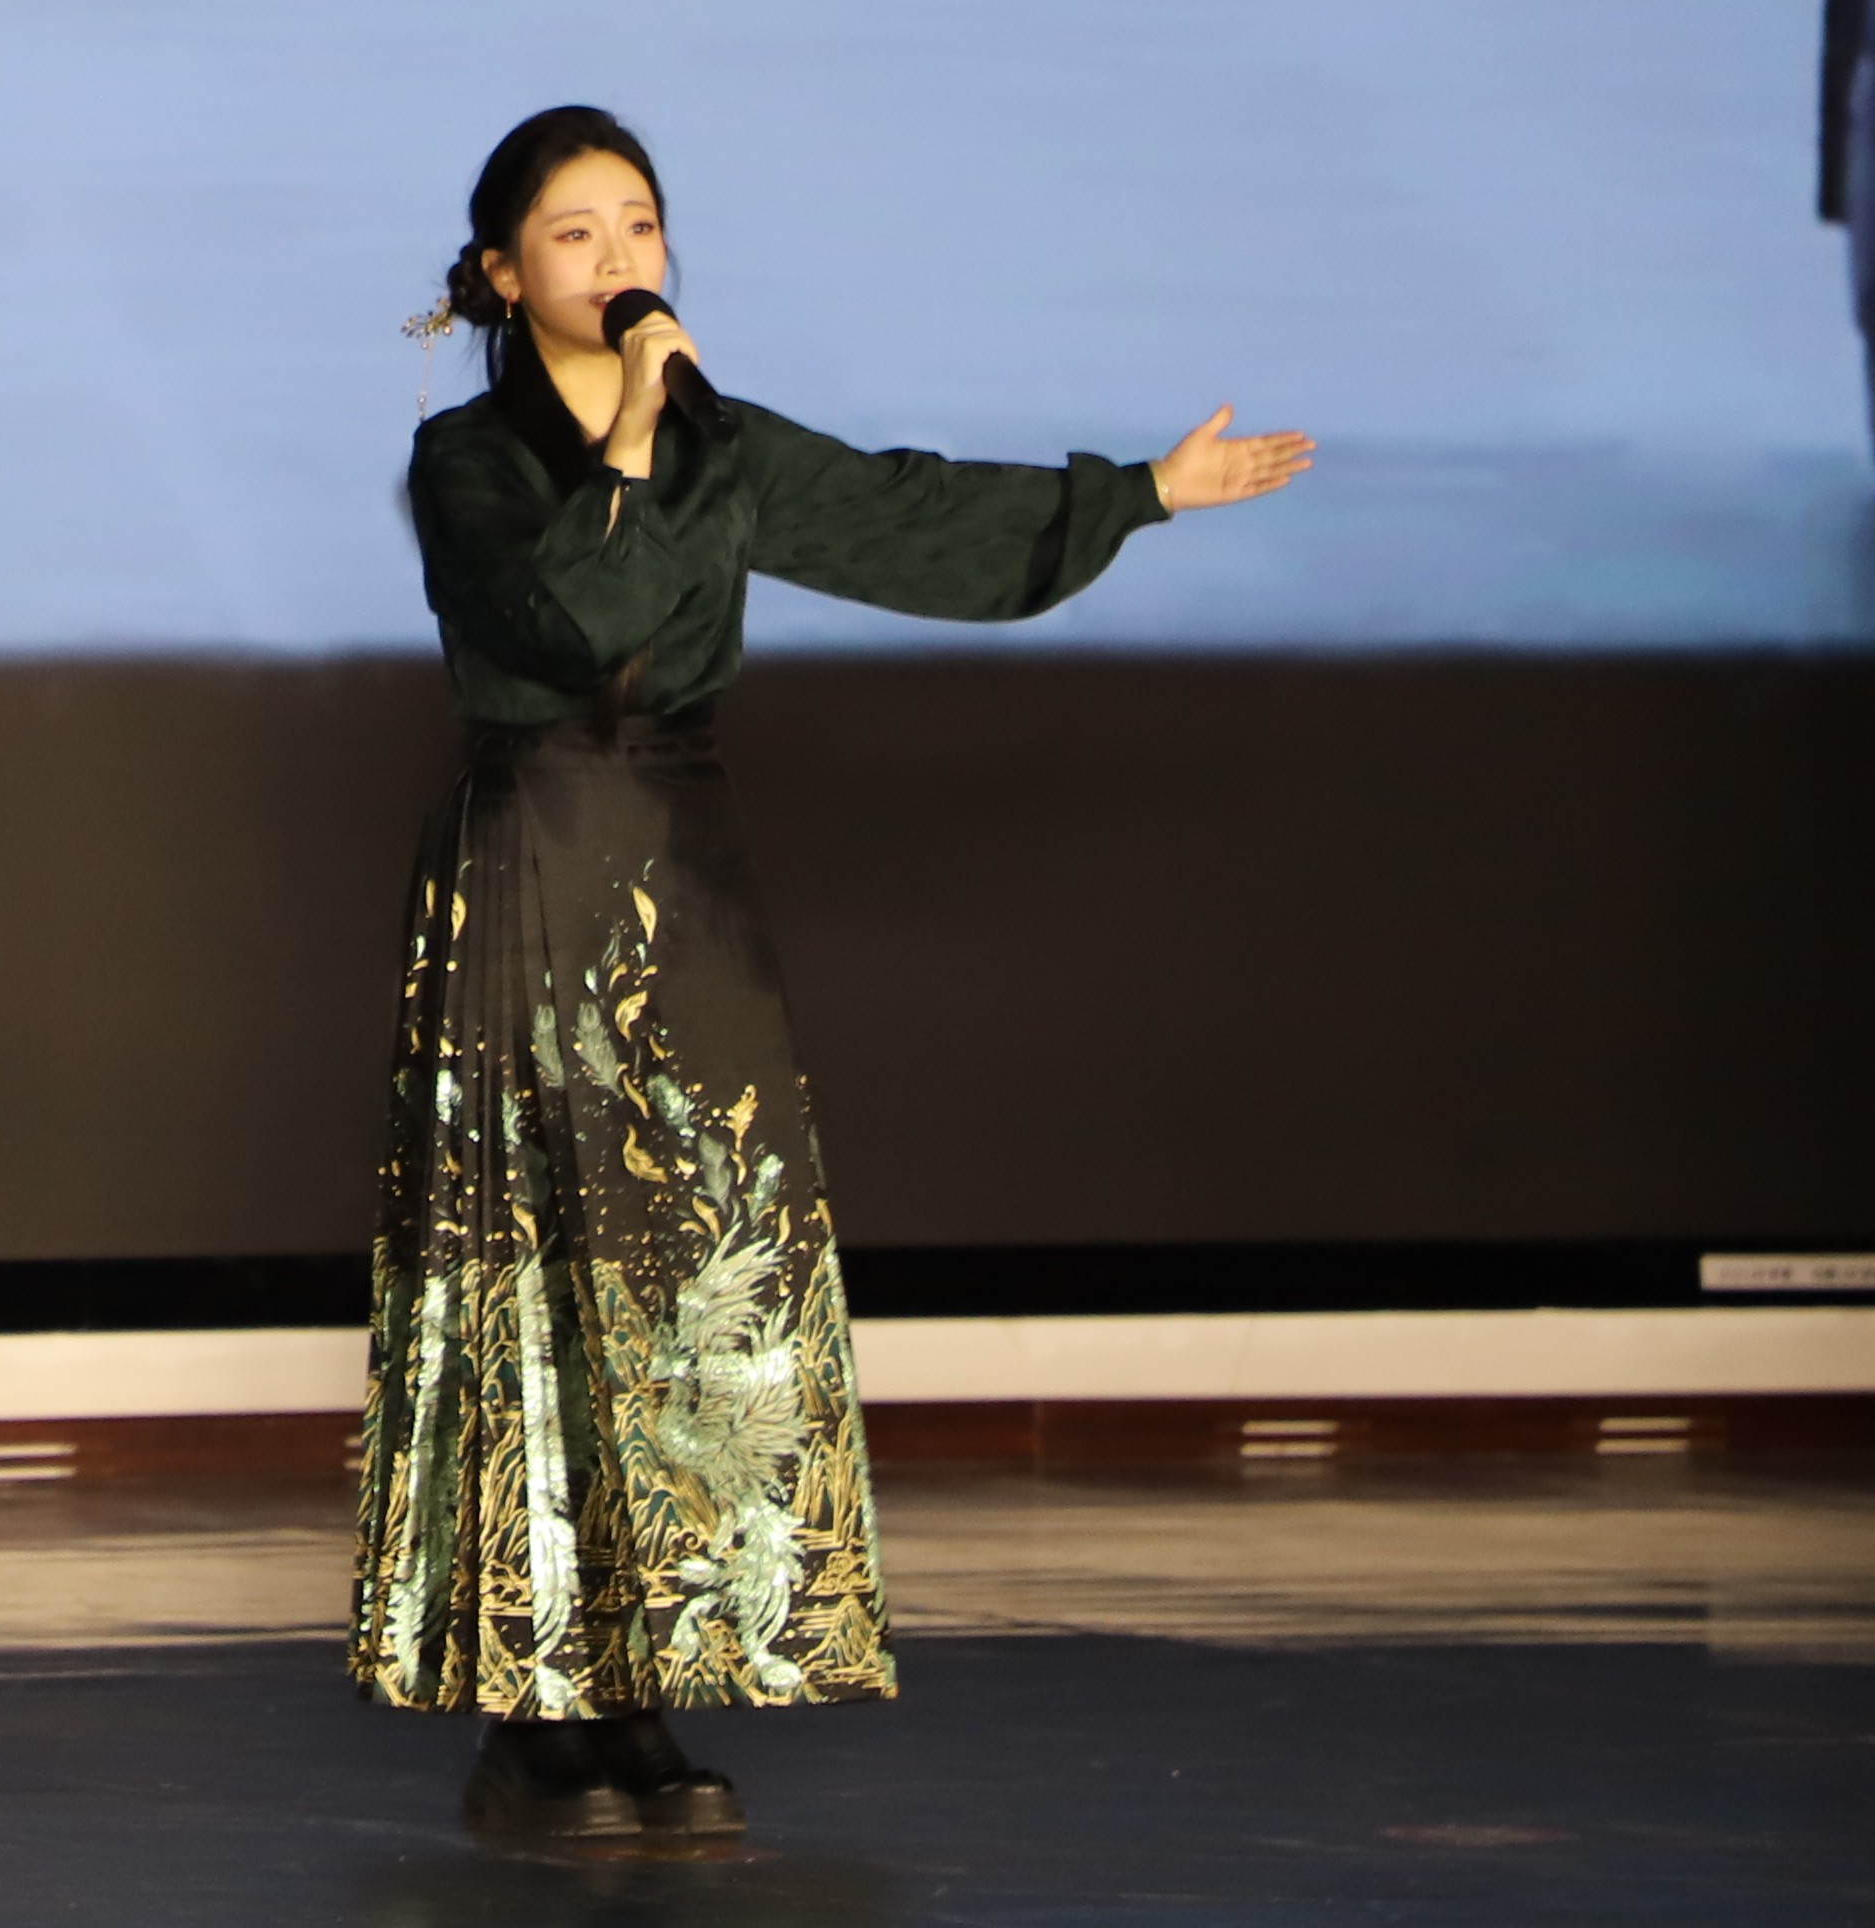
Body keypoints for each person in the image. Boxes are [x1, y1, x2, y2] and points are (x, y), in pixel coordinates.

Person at [353, 102, 1310, 1847]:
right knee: (545, 1288)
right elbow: (568, 621)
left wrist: (1143, 494)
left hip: (680, 867)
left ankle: (651, 1687)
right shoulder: (466, 460)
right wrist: (627, 441)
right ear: (500, 274)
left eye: (640, 224)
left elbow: (900, 515)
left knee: (696, 1276)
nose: (621, 258)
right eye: (576, 232)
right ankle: (538, 1715)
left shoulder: (719, 442)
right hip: (536, 864)